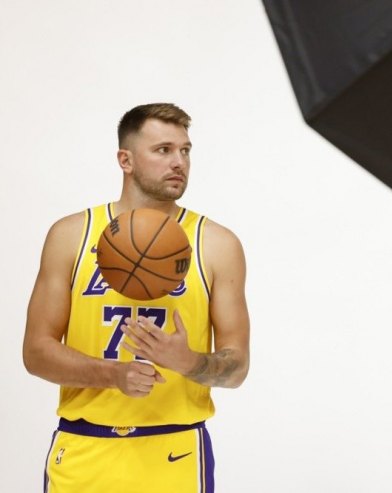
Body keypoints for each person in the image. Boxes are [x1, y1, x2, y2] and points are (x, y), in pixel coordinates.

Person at [23, 103, 250, 493]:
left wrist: (189, 361)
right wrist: (112, 375)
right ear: (125, 160)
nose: (179, 162)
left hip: (175, 452)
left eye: (185, 150)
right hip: (83, 449)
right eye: (163, 150)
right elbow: (36, 352)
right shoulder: (71, 235)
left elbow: (238, 366)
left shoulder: (215, 244)